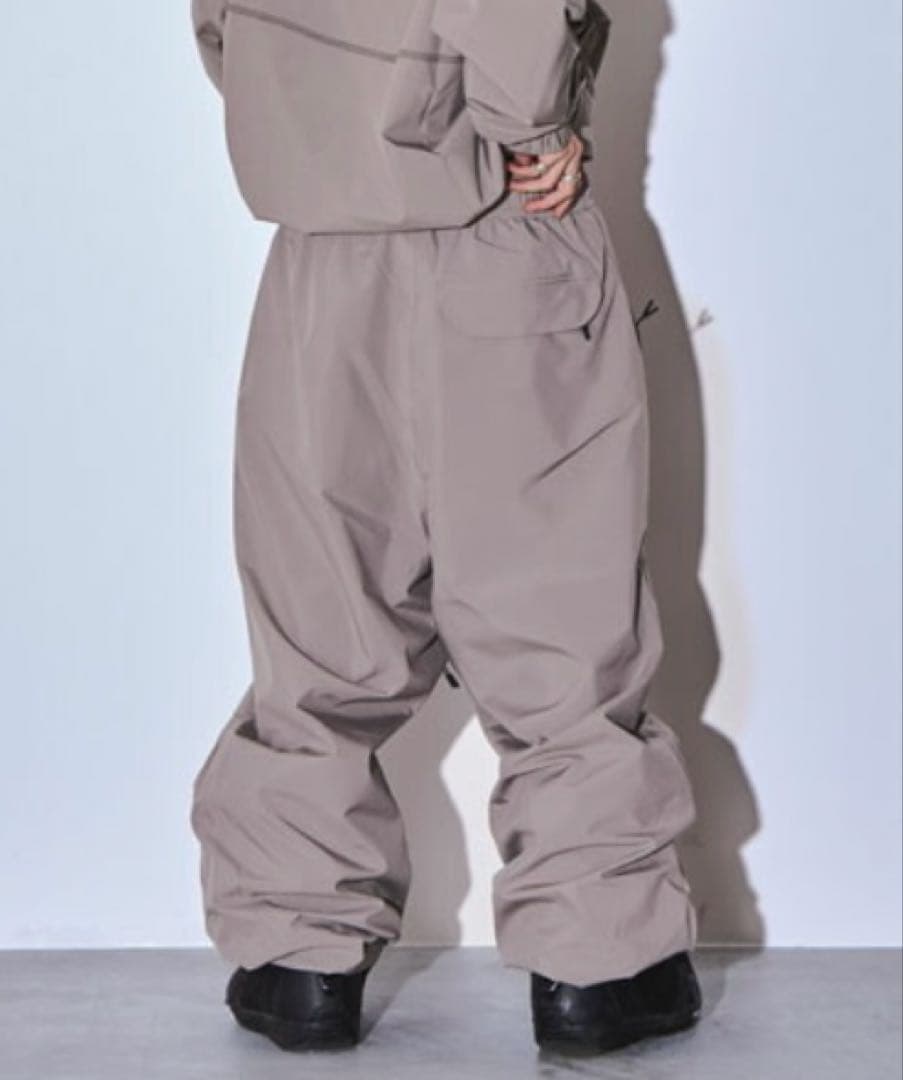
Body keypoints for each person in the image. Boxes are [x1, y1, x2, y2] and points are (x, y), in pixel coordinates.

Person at [188, 0, 703, 1056]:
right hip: (498, 234)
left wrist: (332, 131)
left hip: (320, 257)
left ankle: (296, 958)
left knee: (322, 615)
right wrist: (538, 127)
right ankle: (596, 963)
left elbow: (219, 29)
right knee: (554, 613)